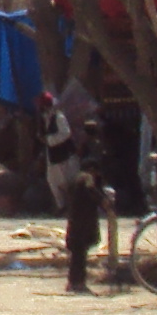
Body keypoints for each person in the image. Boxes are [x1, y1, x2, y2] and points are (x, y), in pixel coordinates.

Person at [44, 75, 105, 294]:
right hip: (82, 223)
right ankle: (77, 283)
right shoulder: (86, 177)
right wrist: (104, 201)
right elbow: (92, 190)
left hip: (77, 222)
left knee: (78, 256)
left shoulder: (58, 120)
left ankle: (75, 282)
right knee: (79, 256)